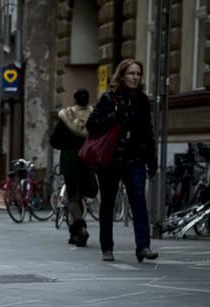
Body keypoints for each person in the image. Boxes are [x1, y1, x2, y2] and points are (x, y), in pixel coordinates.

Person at [86, 59, 158, 263]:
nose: (135, 77)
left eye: (138, 74)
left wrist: (152, 160)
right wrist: (114, 115)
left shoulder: (142, 100)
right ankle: (107, 247)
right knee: (108, 203)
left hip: (135, 158)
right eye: (131, 73)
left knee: (139, 201)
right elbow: (92, 125)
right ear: (122, 76)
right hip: (111, 160)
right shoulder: (109, 98)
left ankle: (143, 246)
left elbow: (148, 132)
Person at [50, 89, 93, 246]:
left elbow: (54, 140)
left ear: (74, 99)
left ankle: (80, 228)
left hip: (70, 161)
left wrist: (66, 147)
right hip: (88, 161)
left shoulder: (66, 116)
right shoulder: (93, 115)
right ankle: (74, 233)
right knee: (80, 196)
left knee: (73, 197)